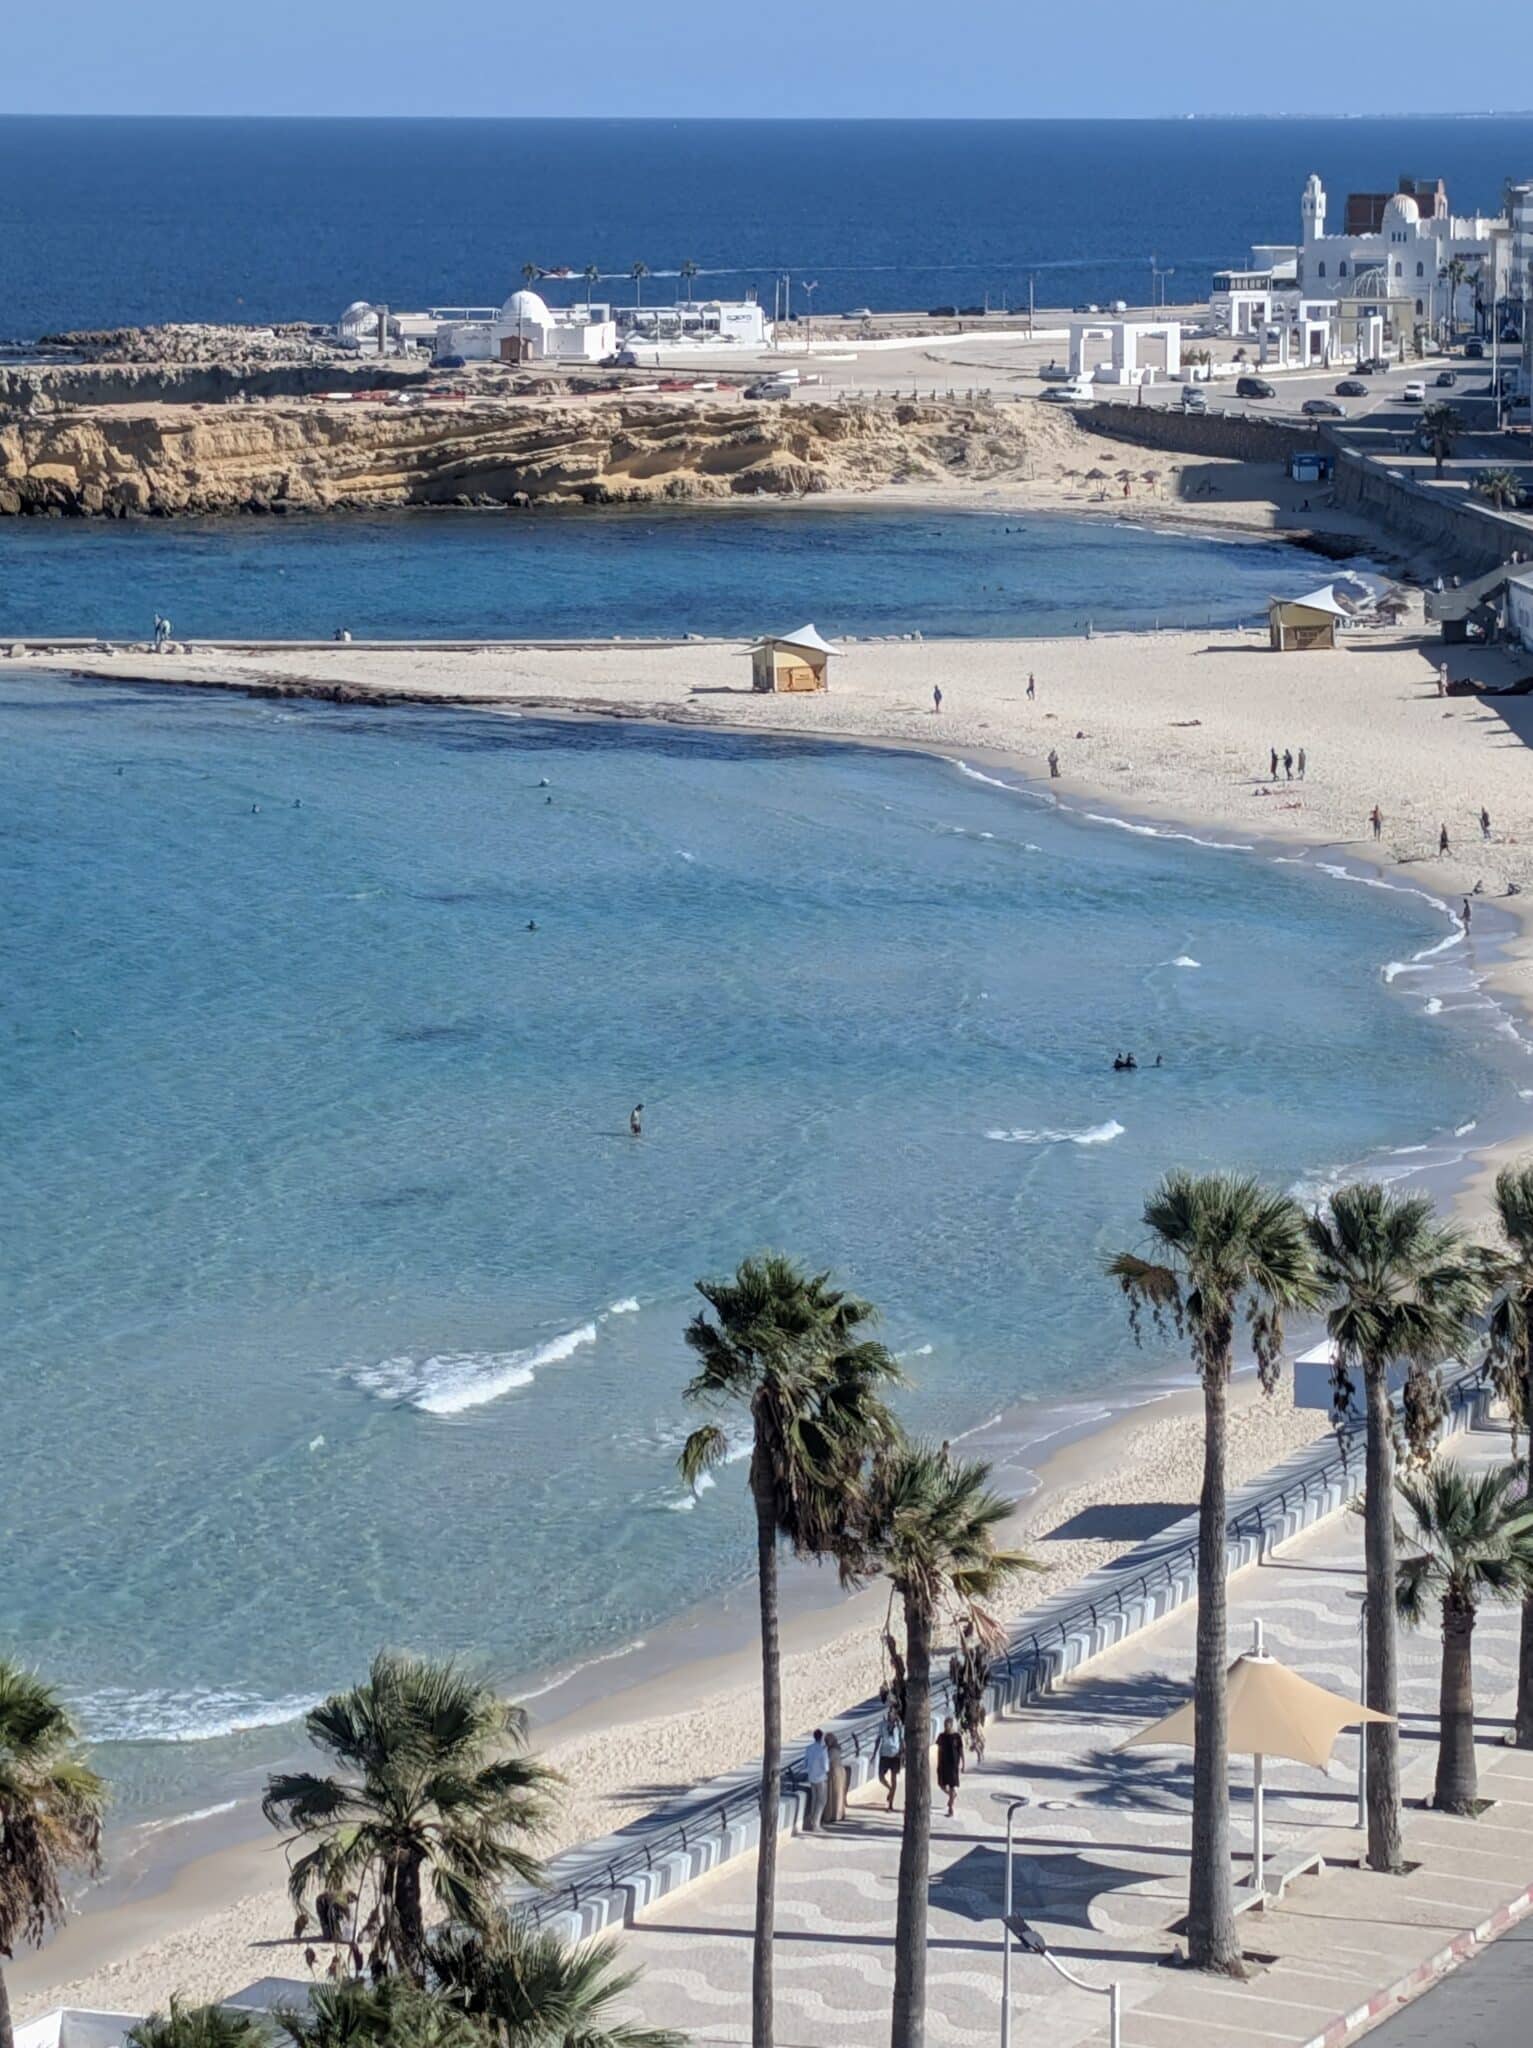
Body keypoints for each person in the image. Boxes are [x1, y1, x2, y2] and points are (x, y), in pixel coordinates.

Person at [877, 1705, 905, 1810]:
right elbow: (879, 1738)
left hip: (895, 1755)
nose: (890, 1715)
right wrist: (875, 1753)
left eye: (892, 1713)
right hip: (884, 1754)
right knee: (881, 1777)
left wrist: (903, 1753)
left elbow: (902, 1740)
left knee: (894, 1779)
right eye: (889, 1713)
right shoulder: (882, 1725)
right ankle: (890, 1789)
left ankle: (891, 1803)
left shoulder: (899, 1726)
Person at [936, 1716, 964, 1819]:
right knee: (941, 1784)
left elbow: (961, 1751)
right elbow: (939, 1751)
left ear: (951, 1725)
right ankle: (952, 1796)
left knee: (952, 1786)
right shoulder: (941, 1736)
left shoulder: (957, 1736)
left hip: (953, 1765)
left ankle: (951, 1808)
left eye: (947, 1725)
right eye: (944, 1725)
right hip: (943, 1764)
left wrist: (963, 1764)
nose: (945, 1727)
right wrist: (938, 1764)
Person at [802, 1729, 830, 1831]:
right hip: (821, 1777)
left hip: (811, 1776)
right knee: (822, 1801)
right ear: (821, 1737)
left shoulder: (809, 1748)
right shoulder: (823, 1750)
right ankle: (816, 1824)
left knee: (814, 1800)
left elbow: (805, 1763)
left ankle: (811, 1821)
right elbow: (826, 1767)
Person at [824, 1730, 848, 1824]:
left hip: (834, 1772)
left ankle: (833, 1815)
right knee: (838, 1793)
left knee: (834, 1794)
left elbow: (828, 1761)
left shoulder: (832, 1750)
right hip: (838, 1771)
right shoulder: (837, 1748)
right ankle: (838, 1814)